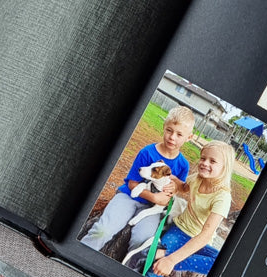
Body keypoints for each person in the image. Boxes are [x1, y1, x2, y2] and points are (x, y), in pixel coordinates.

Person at [80, 105, 194, 254]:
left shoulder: (183, 165)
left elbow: (176, 189)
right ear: (164, 127)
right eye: (169, 130)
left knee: (142, 240)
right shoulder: (147, 152)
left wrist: (173, 189)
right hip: (129, 197)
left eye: (179, 134)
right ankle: (78, 253)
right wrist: (154, 197)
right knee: (103, 230)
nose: (172, 137)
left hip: (151, 209)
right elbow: (132, 183)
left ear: (189, 137)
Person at [128, 140, 234, 277]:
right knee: (155, 270)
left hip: (198, 240)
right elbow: (183, 187)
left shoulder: (223, 197)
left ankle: (166, 257)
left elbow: (205, 235)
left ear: (225, 167)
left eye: (212, 161)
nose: (205, 163)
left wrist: (171, 260)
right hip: (179, 230)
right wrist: (171, 180)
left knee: (224, 264)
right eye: (203, 158)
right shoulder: (197, 179)